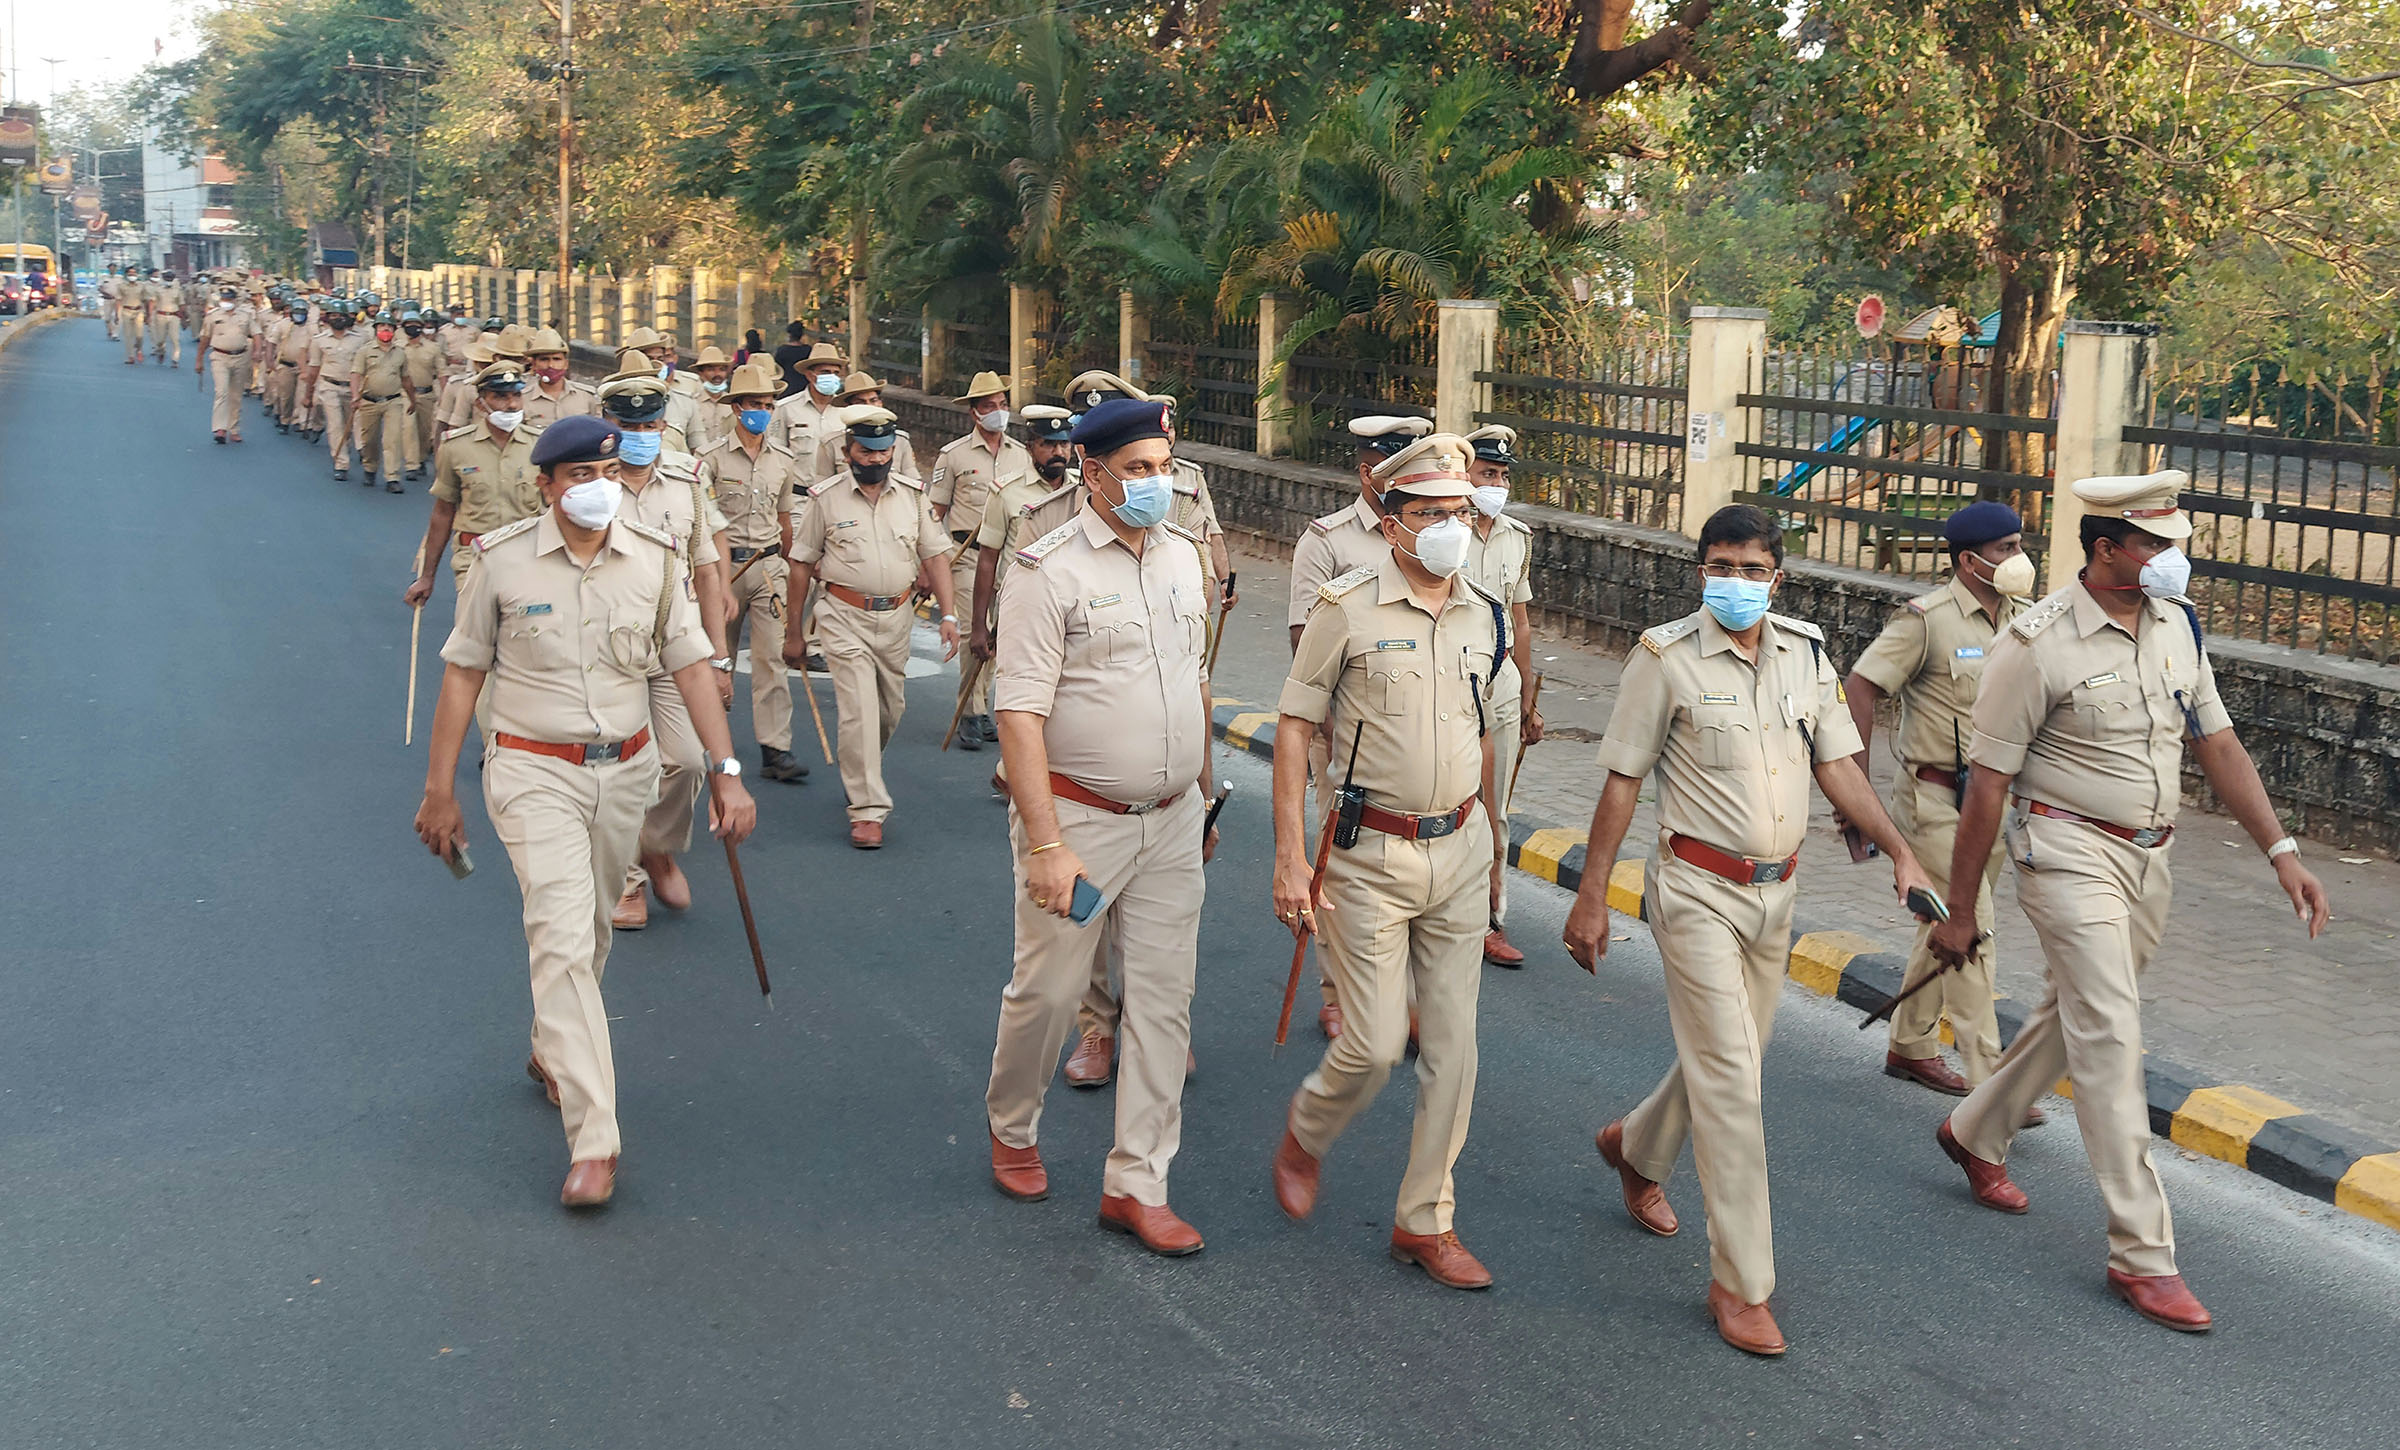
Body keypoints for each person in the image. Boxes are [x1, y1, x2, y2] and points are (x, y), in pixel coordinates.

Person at [1925, 471, 2330, 1334]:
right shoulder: (2035, 644)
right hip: (2065, 849)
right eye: (2154, 545)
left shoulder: (2176, 627)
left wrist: (2282, 852)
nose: (2171, 560)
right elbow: (1987, 786)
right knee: (2111, 1032)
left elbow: (2215, 740)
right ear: (2106, 548)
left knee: (2079, 1013)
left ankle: (1974, 1126)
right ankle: (2142, 1256)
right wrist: (1961, 911)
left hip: (2152, 857)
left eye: (2174, 545)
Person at [1560, 503, 1932, 1356]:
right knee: (1733, 1083)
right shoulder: (1663, 658)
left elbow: (1838, 766)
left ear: (1778, 576)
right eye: (1719, 566)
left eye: (1751, 569)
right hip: (1694, 891)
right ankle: (1743, 1282)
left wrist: (1902, 853)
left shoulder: (1804, 654)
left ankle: (1638, 1146)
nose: (1734, 582)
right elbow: (1622, 782)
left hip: (1778, 897)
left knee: (1734, 1058)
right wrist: (1591, 896)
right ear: (1700, 571)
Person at [411, 413, 758, 1210]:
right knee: (562, 936)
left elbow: (691, 666)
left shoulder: (656, 562)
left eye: (605, 474)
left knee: (593, 930)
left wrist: (726, 770)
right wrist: (440, 789)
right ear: (546, 485)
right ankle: (595, 1140)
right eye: (577, 477)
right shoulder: (499, 564)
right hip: (533, 772)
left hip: (625, 771)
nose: (596, 489)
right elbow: (463, 674)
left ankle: (551, 1048)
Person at [1265, 431, 1507, 1292]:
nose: (1449, 527)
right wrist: (1291, 857)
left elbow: (1491, 732)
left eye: (1459, 513)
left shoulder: (1488, 611)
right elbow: (1295, 727)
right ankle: (1309, 1128)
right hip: (1368, 853)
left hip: (1461, 848)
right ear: (1394, 521)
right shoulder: (1347, 605)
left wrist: (1495, 846)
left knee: (1455, 1050)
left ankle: (1424, 1221)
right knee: (1370, 1049)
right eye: (1430, 514)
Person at [981, 398, 1219, 1255]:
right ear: (1093, 472)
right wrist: (1046, 843)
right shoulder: (1048, 570)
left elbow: (1194, 684)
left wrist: (1207, 791)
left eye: (1166, 469)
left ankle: (1138, 1182)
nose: (1158, 485)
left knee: (1163, 1004)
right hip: (1082, 820)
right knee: (1047, 993)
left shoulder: (1185, 560)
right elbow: (1019, 715)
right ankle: (1012, 1123)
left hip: (1171, 820)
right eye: (1140, 470)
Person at [1843, 501, 2038, 1103]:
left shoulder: (2025, 618)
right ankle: (1992, 1087)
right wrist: (1856, 793)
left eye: (2019, 545)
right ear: (1968, 560)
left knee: (1945, 924)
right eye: (2005, 549)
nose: (2018, 559)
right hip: (1933, 801)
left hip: (1994, 800)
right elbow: (1861, 685)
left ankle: (1910, 1046)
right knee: (1971, 926)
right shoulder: (1926, 621)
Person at [1285, 414, 1434, 1039]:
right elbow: (1304, 638)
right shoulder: (1329, 540)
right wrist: (1322, 724)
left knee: (1412, 870)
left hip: (1417, 728)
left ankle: (1400, 995)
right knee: (1340, 861)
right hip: (1347, 734)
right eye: (1387, 463)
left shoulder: (1435, 530)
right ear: (1366, 468)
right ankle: (1339, 989)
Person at [592, 357, 736, 930]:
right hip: (607, 647)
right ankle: (628, 880)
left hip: (675, 646)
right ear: (607, 424)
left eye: (650, 427)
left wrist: (720, 658)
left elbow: (706, 571)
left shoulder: (686, 479)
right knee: (624, 767)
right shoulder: (586, 481)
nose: (640, 438)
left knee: (683, 762)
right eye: (629, 429)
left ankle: (655, 847)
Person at [780, 405, 960, 848]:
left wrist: (950, 615)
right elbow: (801, 566)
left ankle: (859, 765)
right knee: (859, 710)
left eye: (883, 452)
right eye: (866, 451)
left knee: (888, 711)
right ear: (847, 452)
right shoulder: (826, 498)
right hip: (842, 617)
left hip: (897, 619)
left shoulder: (914, 496)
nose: (875, 460)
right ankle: (866, 809)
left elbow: (935, 556)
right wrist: (794, 631)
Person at [698, 359, 810, 785]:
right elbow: (701, 525)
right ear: (736, 407)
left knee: (771, 658)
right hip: (721, 570)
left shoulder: (783, 460)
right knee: (715, 657)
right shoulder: (707, 459)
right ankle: (710, 740)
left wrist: (789, 562)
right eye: (754, 404)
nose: (762, 411)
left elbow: (784, 518)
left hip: (766, 568)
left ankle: (775, 747)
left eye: (768, 403)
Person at [1459, 424, 1544, 967]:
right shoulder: (1442, 530)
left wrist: (1530, 697)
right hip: (1450, 679)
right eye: (1487, 474)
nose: (1496, 485)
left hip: (1503, 682)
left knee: (1497, 807)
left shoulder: (1517, 537)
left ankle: (1490, 919)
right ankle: (1447, 911)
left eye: (1503, 476)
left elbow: (1522, 618)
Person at [930, 372, 1033, 750]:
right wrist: (934, 562)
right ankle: (970, 712)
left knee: (997, 634)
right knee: (973, 631)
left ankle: (982, 703)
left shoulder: (1020, 455)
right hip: (967, 556)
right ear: (974, 413)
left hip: (1006, 556)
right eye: (990, 406)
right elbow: (934, 512)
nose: (998, 412)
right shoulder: (953, 455)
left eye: (1003, 405)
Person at [404, 362, 545, 603]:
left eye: (516, 396)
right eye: (500, 397)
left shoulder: (540, 446)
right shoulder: (456, 447)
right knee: (477, 634)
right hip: (475, 556)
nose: (511, 405)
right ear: (481, 403)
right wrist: (427, 577)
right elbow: (443, 512)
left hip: (527, 556)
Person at [351, 313, 422, 494]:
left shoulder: (400, 353)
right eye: (382, 327)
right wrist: (354, 396)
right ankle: (370, 467)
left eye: (389, 327)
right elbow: (356, 374)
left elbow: (406, 379)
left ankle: (392, 476)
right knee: (370, 440)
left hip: (393, 401)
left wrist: (412, 400)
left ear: (394, 331)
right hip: (369, 401)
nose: (385, 330)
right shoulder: (364, 351)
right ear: (375, 329)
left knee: (392, 439)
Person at [302, 299, 370, 480]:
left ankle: (360, 450)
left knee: (356, 425)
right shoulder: (319, 340)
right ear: (327, 318)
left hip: (354, 388)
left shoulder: (360, 339)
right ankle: (341, 463)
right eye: (333, 315)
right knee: (335, 425)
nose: (337, 319)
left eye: (340, 315)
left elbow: (368, 364)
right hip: (329, 386)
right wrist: (308, 395)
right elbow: (314, 368)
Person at [767, 341, 854, 477]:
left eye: (835, 373)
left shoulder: (846, 411)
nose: (831, 377)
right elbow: (775, 453)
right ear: (809, 375)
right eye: (825, 372)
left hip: (835, 492)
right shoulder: (786, 408)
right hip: (799, 494)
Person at [198, 285, 253, 445]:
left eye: (229, 299)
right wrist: (199, 359)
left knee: (236, 395)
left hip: (240, 356)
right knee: (221, 392)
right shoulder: (212, 316)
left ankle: (234, 429)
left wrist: (257, 351)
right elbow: (205, 339)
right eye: (223, 299)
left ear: (234, 300)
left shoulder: (245, 316)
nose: (226, 302)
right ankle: (220, 428)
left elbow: (256, 333)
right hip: (219, 356)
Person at [521, 327, 600, 429]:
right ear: (534, 364)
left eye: (557, 359)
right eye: (544, 360)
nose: (551, 365)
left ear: (566, 364)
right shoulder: (523, 399)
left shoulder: (586, 396)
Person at [664, 343, 735, 455]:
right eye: (711, 369)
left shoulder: (734, 404)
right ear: (701, 373)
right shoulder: (690, 402)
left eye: (721, 369)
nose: (717, 374)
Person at [401, 310, 447, 474]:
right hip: (405, 394)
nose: (412, 328)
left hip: (427, 393)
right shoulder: (398, 347)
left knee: (425, 430)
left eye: (415, 325)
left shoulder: (433, 348)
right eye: (408, 325)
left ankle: (420, 459)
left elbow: (442, 372)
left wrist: (445, 395)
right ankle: (411, 465)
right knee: (408, 427)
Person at [149, 270, 184, 365]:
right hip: (160, 315)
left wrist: (184, 317)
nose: (168, 280)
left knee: (175, 339)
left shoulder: (178, 290)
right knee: (160, 340)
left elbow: (181, 304)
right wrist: (149, 315)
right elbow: (152, 302)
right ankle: (161, 351)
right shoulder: (158, 290)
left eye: (170, 278)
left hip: (174, 316)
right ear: (163, 279)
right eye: (167, 278)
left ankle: (175, 359)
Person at [770, 320, 812, 398]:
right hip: (804, 386)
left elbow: (777, 368)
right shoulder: (808, 350)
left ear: (789, 334)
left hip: (787, 387)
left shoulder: (782, 350)